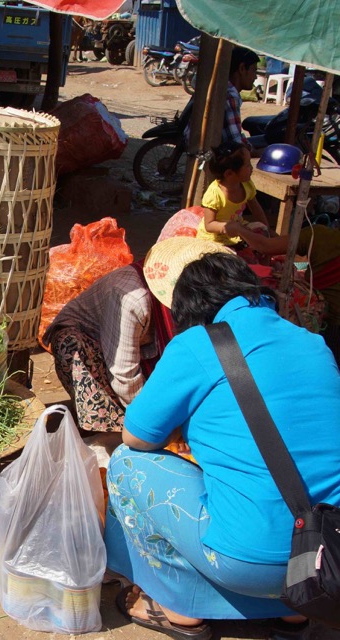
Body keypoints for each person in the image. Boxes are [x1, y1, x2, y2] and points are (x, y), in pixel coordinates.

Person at [104, 239, 340, 640]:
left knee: (127, 464)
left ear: (189, 310)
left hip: (248, 562)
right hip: (327, 555)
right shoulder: (313, 342)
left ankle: (179, 609)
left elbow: (137, 434)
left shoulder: (197, 344)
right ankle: (294, 612)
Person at [42, 264, 169, 438]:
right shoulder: (133, 299)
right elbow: (123, 374)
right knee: (71, 345)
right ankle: (103, 432)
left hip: (136, 346)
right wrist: (153, 424)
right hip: (91, 342)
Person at [227, 221, 340, 363]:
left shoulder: (320, 235)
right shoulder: (318, 237)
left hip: (326, 324)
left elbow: (265, 246)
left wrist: (238, 229)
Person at [195, 142, 269, 246]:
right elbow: (209, 225)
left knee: (263, 237)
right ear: (229, 173)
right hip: (214, 239)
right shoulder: (214, 195)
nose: (252, 168)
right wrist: (229, 227)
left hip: (238, 230)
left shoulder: (247, 185)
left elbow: (256, 209)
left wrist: (266, 229)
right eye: (247, 165)